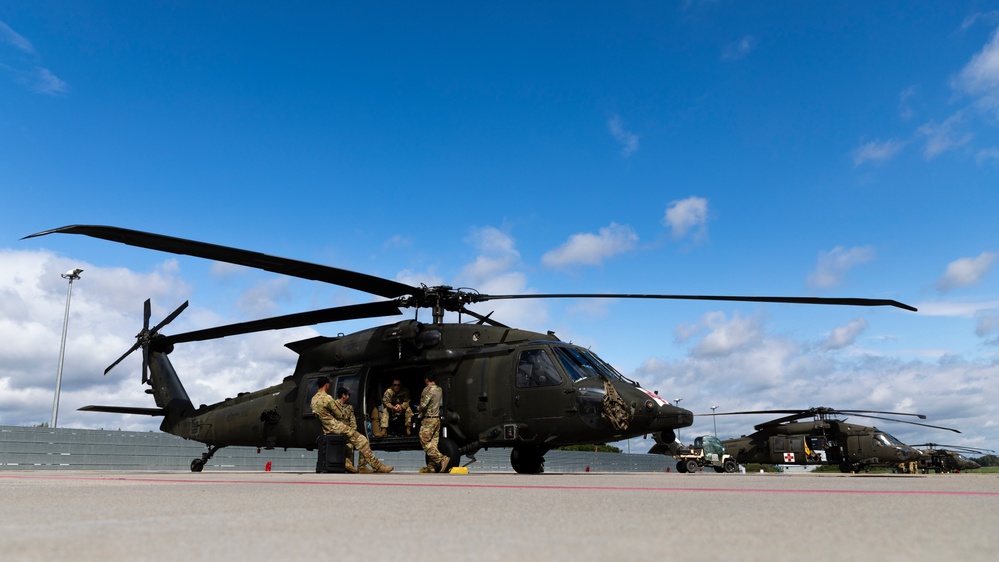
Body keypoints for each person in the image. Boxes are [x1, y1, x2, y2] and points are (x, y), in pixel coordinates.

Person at [310, 377, 392, 474]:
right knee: (363, 440)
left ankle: (353, 464)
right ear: (326, 385)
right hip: (334, 427)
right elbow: (339, 414)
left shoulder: (313, 399)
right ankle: (377, 466)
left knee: (354, 442)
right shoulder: (327, 398)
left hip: (325, 429)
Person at [417, 372, 449, 473]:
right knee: (433, 444)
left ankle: (442, 459)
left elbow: (423, 405)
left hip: (429, 420)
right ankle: (432, 467)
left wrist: (419, 408)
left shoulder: (427, 390)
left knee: (424, 441)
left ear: (426, 379)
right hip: (437, 419)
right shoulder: (439, 389)